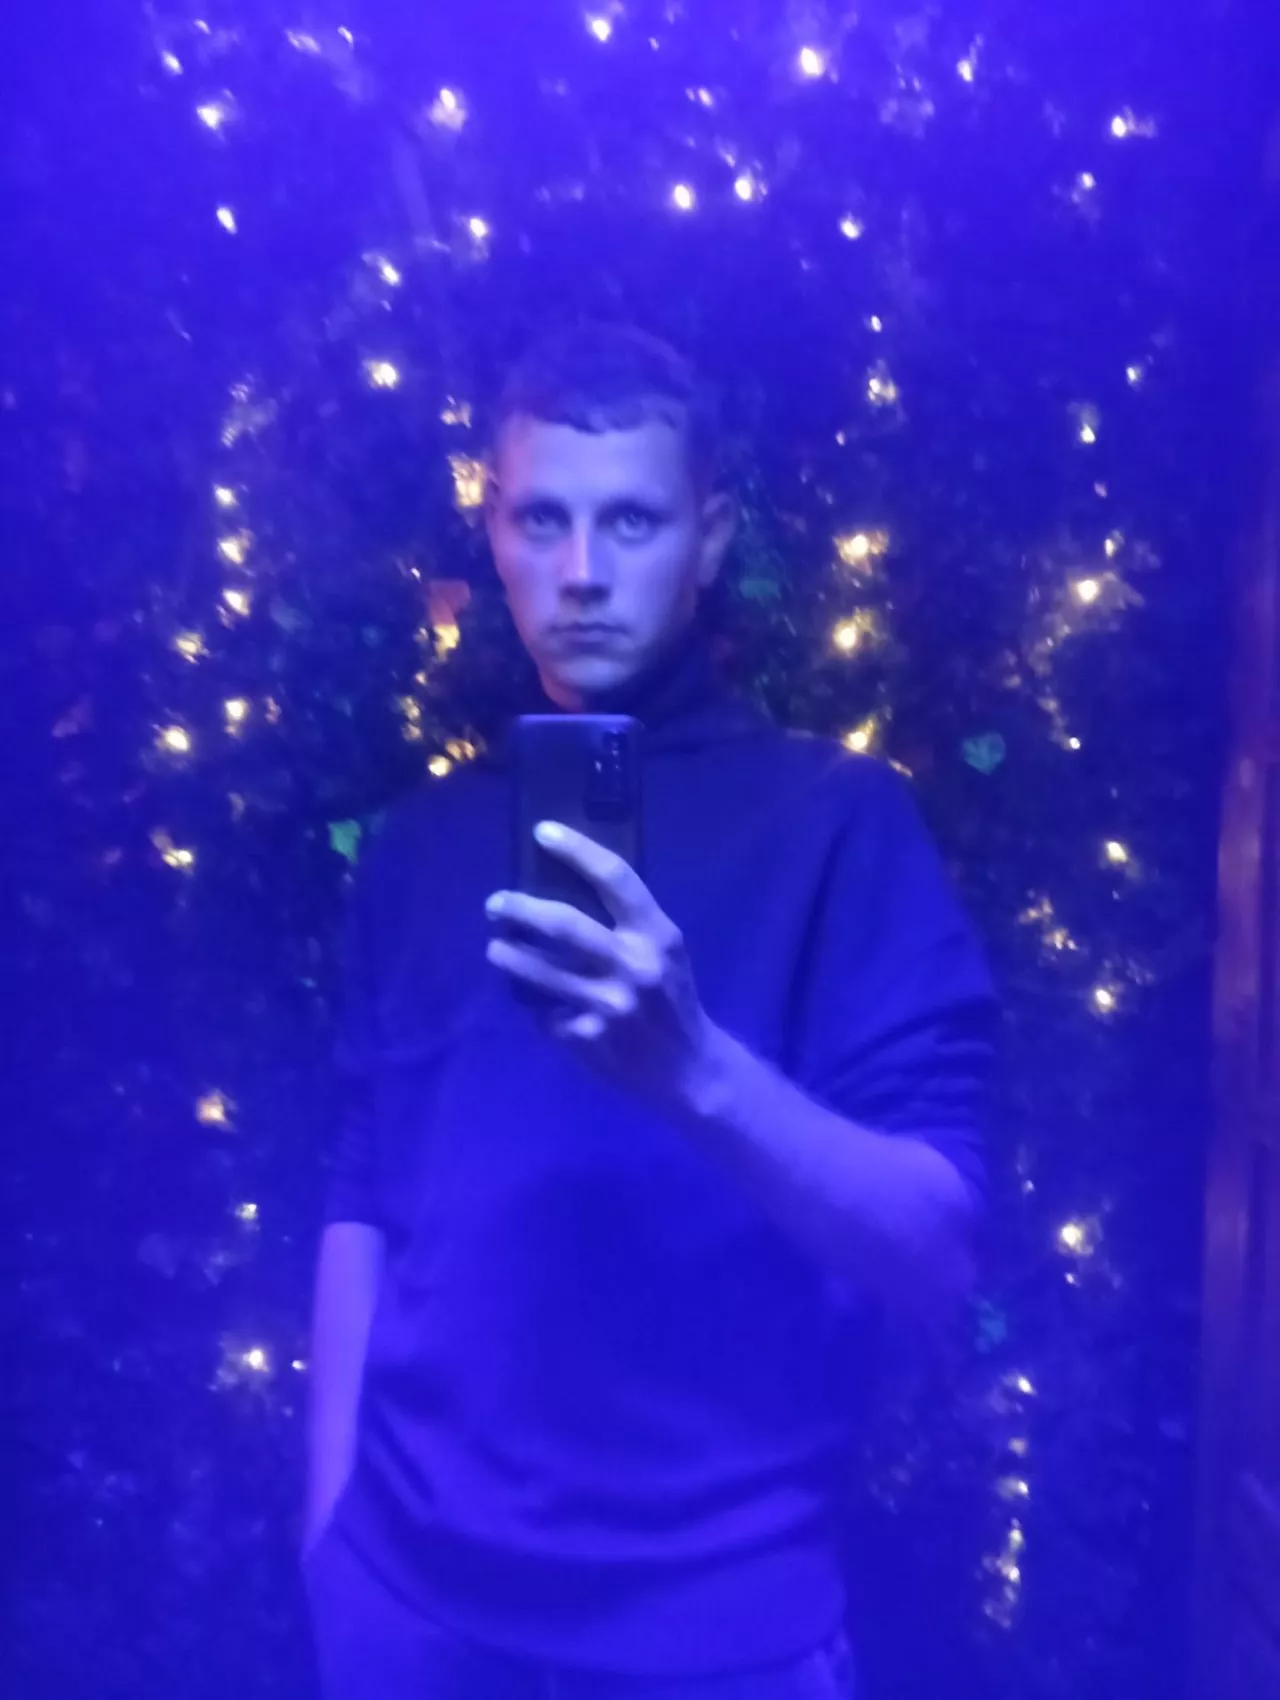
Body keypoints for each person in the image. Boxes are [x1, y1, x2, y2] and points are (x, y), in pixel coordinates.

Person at [301, 323, 998, 1700]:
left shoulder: (841, 824)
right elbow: (365, 1188)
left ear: (709, 538)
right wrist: (327, 1546)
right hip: (407, 1611)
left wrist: (694, 1070)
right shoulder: (418, 844)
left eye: (630, 520)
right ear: (494, 536)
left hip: (721, 1634)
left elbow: (938, 1250)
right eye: (541, 520)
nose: (580, 571)